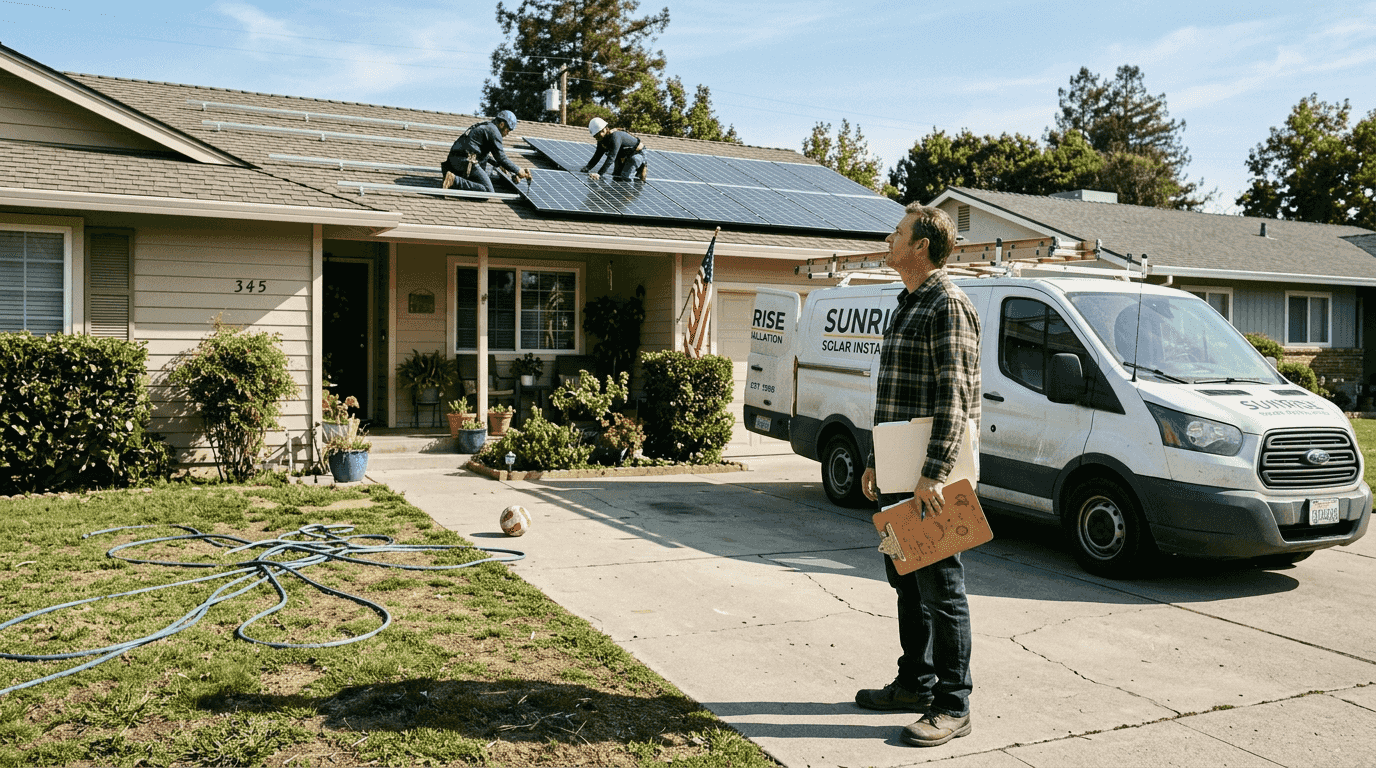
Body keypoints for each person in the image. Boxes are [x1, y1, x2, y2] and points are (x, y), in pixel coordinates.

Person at [855, 204, 981, 748]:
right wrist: (875, 462)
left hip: (932, 477)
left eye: (898, 233)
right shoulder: (907, 303)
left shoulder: (947, 305)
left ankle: (953, 705)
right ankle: (915, 683)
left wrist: (933, 473)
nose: (889, 238)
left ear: (922, 246)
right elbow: (896, 396)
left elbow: (953, 400)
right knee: (905, 578)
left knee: (942, 587)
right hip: (897, 470)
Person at [441, 110, 531, 193]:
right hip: (465, 162)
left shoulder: (486, 126)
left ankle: (453, 178)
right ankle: (455, 180)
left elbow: (485, 156)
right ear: (502, 124)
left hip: (455, 161)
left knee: (479, 183)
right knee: (488, 191)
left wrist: (502, 166)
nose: (507, 134)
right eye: (508, 130)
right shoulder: (494, 131)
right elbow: (501, 157)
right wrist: (518, 170)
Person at [580, 117, 648, 181]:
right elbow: (597, 156)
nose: (597, 138)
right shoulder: (601, 140)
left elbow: (611, 157)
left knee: (625, 175)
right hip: (622, 155)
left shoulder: (615, 137)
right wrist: (587, 168)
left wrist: (599, 174)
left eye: (598, 135)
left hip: (637, 153)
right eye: (595, 137)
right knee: (616, 175)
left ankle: (642, 165)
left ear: (604, 129)